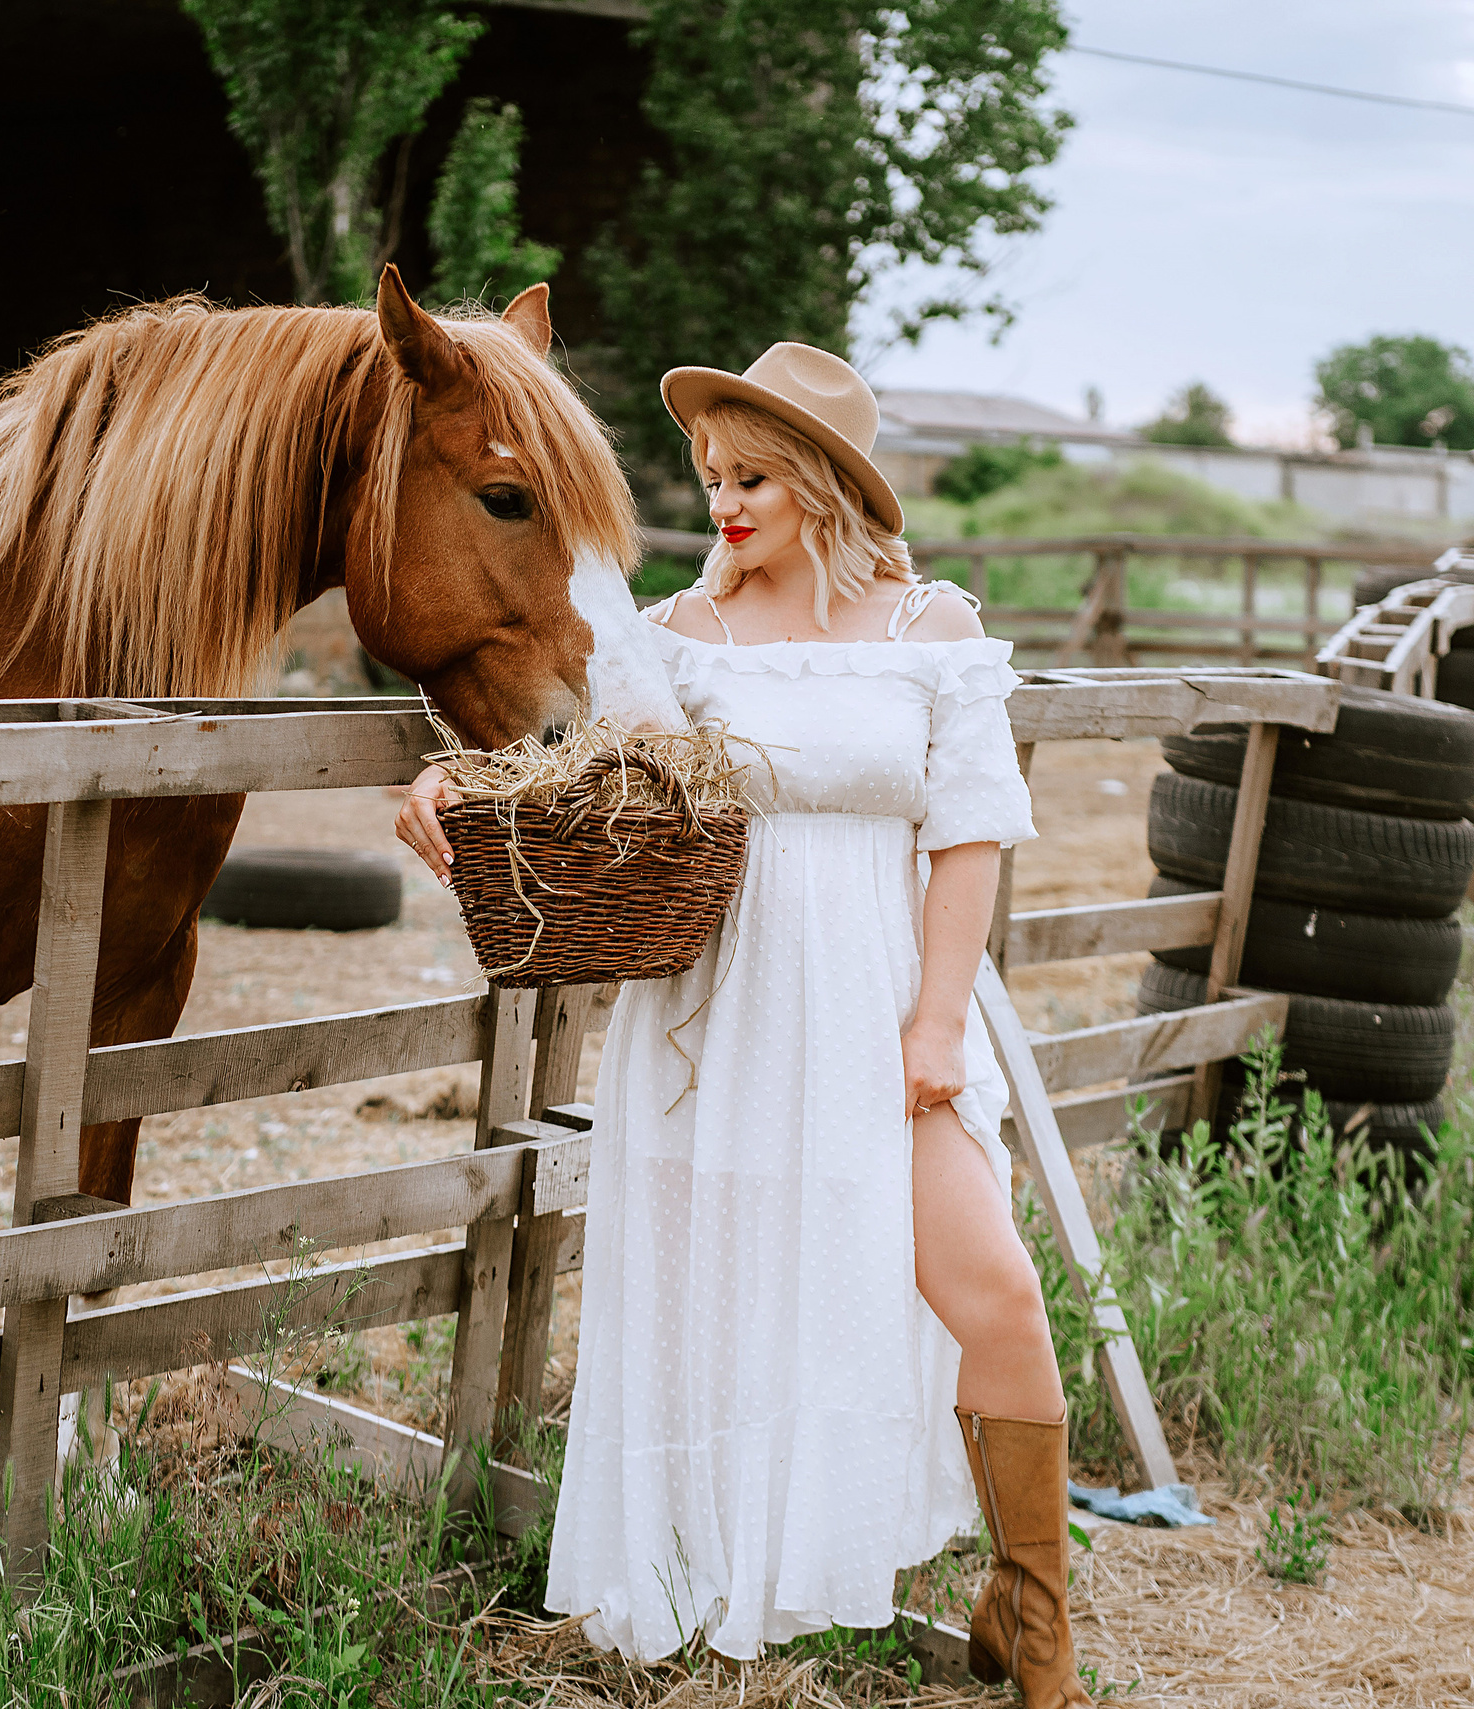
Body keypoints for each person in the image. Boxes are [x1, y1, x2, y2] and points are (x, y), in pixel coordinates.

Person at [395, 343, 1089, 1706]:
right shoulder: (673, 641)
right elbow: (561, 763)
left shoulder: (929, 632)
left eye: (753, 476)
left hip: (892, 1020)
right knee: (723, 1309)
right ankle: (719, 1583)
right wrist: (441, 782)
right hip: (721, 1027)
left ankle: (1033, 1605)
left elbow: (970, 839)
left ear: (826, 483)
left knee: (993, 1292)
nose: (722, 501)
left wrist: (939, 1025)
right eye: (711, 476)